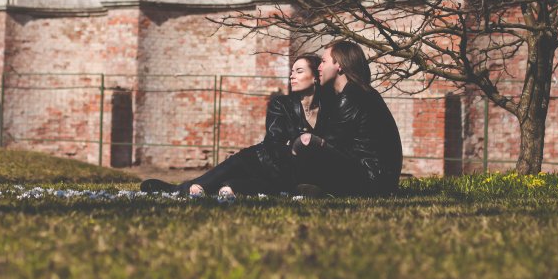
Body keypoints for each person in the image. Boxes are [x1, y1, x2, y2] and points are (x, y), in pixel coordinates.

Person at [140, 53, 333, 197]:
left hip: (282, 176)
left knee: (230, 188)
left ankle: (226, 187)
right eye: (291, 72)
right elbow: (275, 142)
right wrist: (300, 145)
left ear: (315, 77)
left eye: (299, 71)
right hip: (256, 160)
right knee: (197, 188)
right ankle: (176, 189)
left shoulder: (329, 109)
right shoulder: (281, 103)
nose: (292, 76)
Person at [290, 40, 403, 196]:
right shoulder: (357, 92)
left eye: (324, 61)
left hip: (372, 180)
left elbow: (330, 142)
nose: (319, 67)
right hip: (376, 177)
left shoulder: (352, 95)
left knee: (307, 142)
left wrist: (296, 147)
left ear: (339, 65)